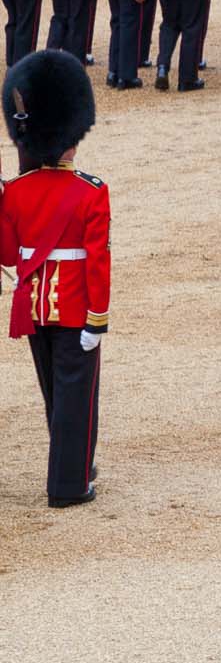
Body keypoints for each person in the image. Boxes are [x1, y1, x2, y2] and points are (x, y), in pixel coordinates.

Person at [1, 49, 110, 507]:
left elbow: (8, 253)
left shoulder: (16, 191)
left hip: (33, 307)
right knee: (76, 396)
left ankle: (76, 462)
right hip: (73, 304)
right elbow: (97, 261)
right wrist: (97, 320)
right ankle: (69, 483)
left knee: (54, 391)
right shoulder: (91, 191)